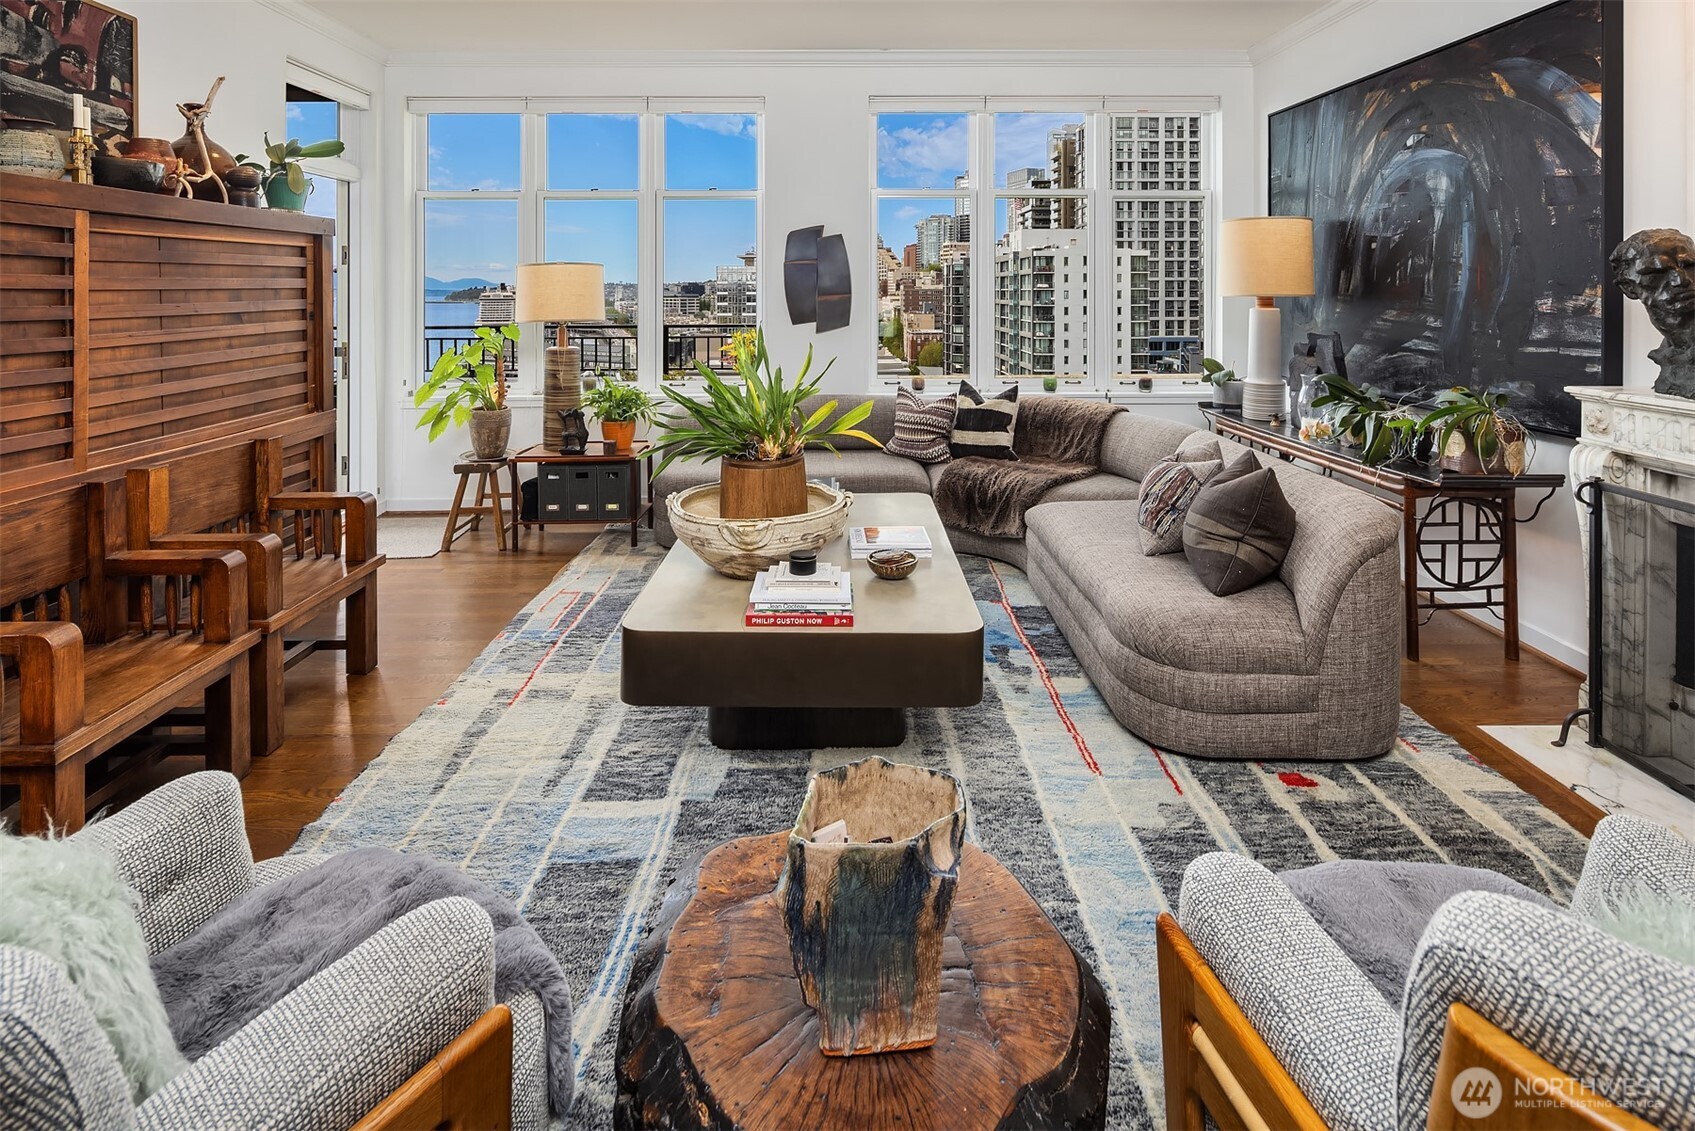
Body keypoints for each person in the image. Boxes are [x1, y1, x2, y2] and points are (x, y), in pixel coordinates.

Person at [1611, 228, 1695, 399]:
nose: (1681, 280)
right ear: (1628, 288)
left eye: (1689, 266)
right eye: (1657, 272)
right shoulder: (1671, 351)